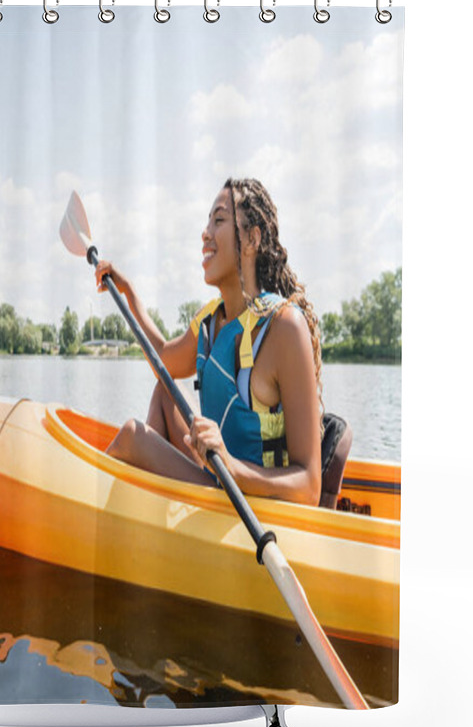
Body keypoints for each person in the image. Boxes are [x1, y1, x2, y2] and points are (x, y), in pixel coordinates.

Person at [94, 178, 323, 506]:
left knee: (133, 436)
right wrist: (130, 295)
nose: (205, 233)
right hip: (217, 486)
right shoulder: (210, 321)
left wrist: (232, 467)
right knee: (165, 392)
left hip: (254, 507)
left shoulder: (284, 327)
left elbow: (310, 486)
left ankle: (100, 512)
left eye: (219, 220)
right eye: (207, 223)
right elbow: (162, 358)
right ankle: (145, 518)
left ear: (252, 238)